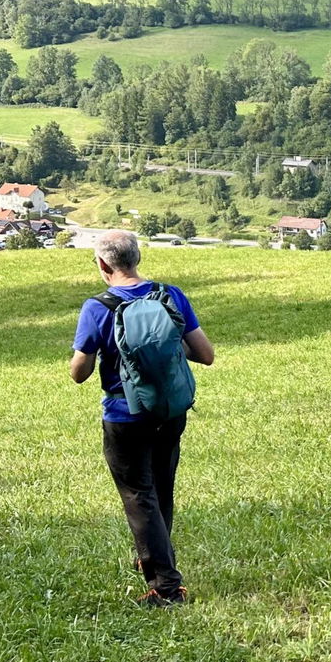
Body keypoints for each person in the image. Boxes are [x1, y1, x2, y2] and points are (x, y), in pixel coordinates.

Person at [70, 230, 216, 606]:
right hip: (170, 410)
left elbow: (79, 373)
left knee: (138, 496)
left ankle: (166, 587)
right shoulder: (170, 296)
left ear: (103, 264)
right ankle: (153, 557)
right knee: (160, 488)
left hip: (124, 414)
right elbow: (205, 354)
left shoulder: (98, 307)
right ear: (137, 259)